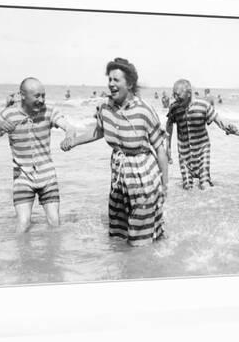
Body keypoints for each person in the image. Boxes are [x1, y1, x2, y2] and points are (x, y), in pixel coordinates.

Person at [61, 57, 168, 246]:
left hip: (143, 175)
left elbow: (160, 148)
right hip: (119, 176)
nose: (111, 84)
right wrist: (74, 141)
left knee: (139, 238)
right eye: (109, 79)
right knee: (119, 235)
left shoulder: (144, 110)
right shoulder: (105, 108)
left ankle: (147, 267)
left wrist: (164, 184)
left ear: (130, 83)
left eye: (116, 80)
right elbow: (99, 131)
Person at [0, 77, 75, 232]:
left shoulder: (49, 111)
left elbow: (69, 127)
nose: (41, 100)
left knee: (54, 222)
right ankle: (22, 256)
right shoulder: (9, 115)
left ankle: (52, 256)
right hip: (22, 178)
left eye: (43, 95)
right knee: (23, 223)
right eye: (37, 96)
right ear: (23, 95)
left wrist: (69, 136)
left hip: (48, 176)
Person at [166, 79, 228, 190]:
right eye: (174, 94)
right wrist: (168, 147)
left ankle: (212, 203)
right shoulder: (174, 108)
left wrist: (227, 128)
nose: (175, 98)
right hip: (184, 153)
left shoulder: (203, 105)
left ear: (189, 93)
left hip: (202, 150)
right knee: (187, 186)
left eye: (178, 95)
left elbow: (217, 119)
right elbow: (169, 125)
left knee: (204, 183)